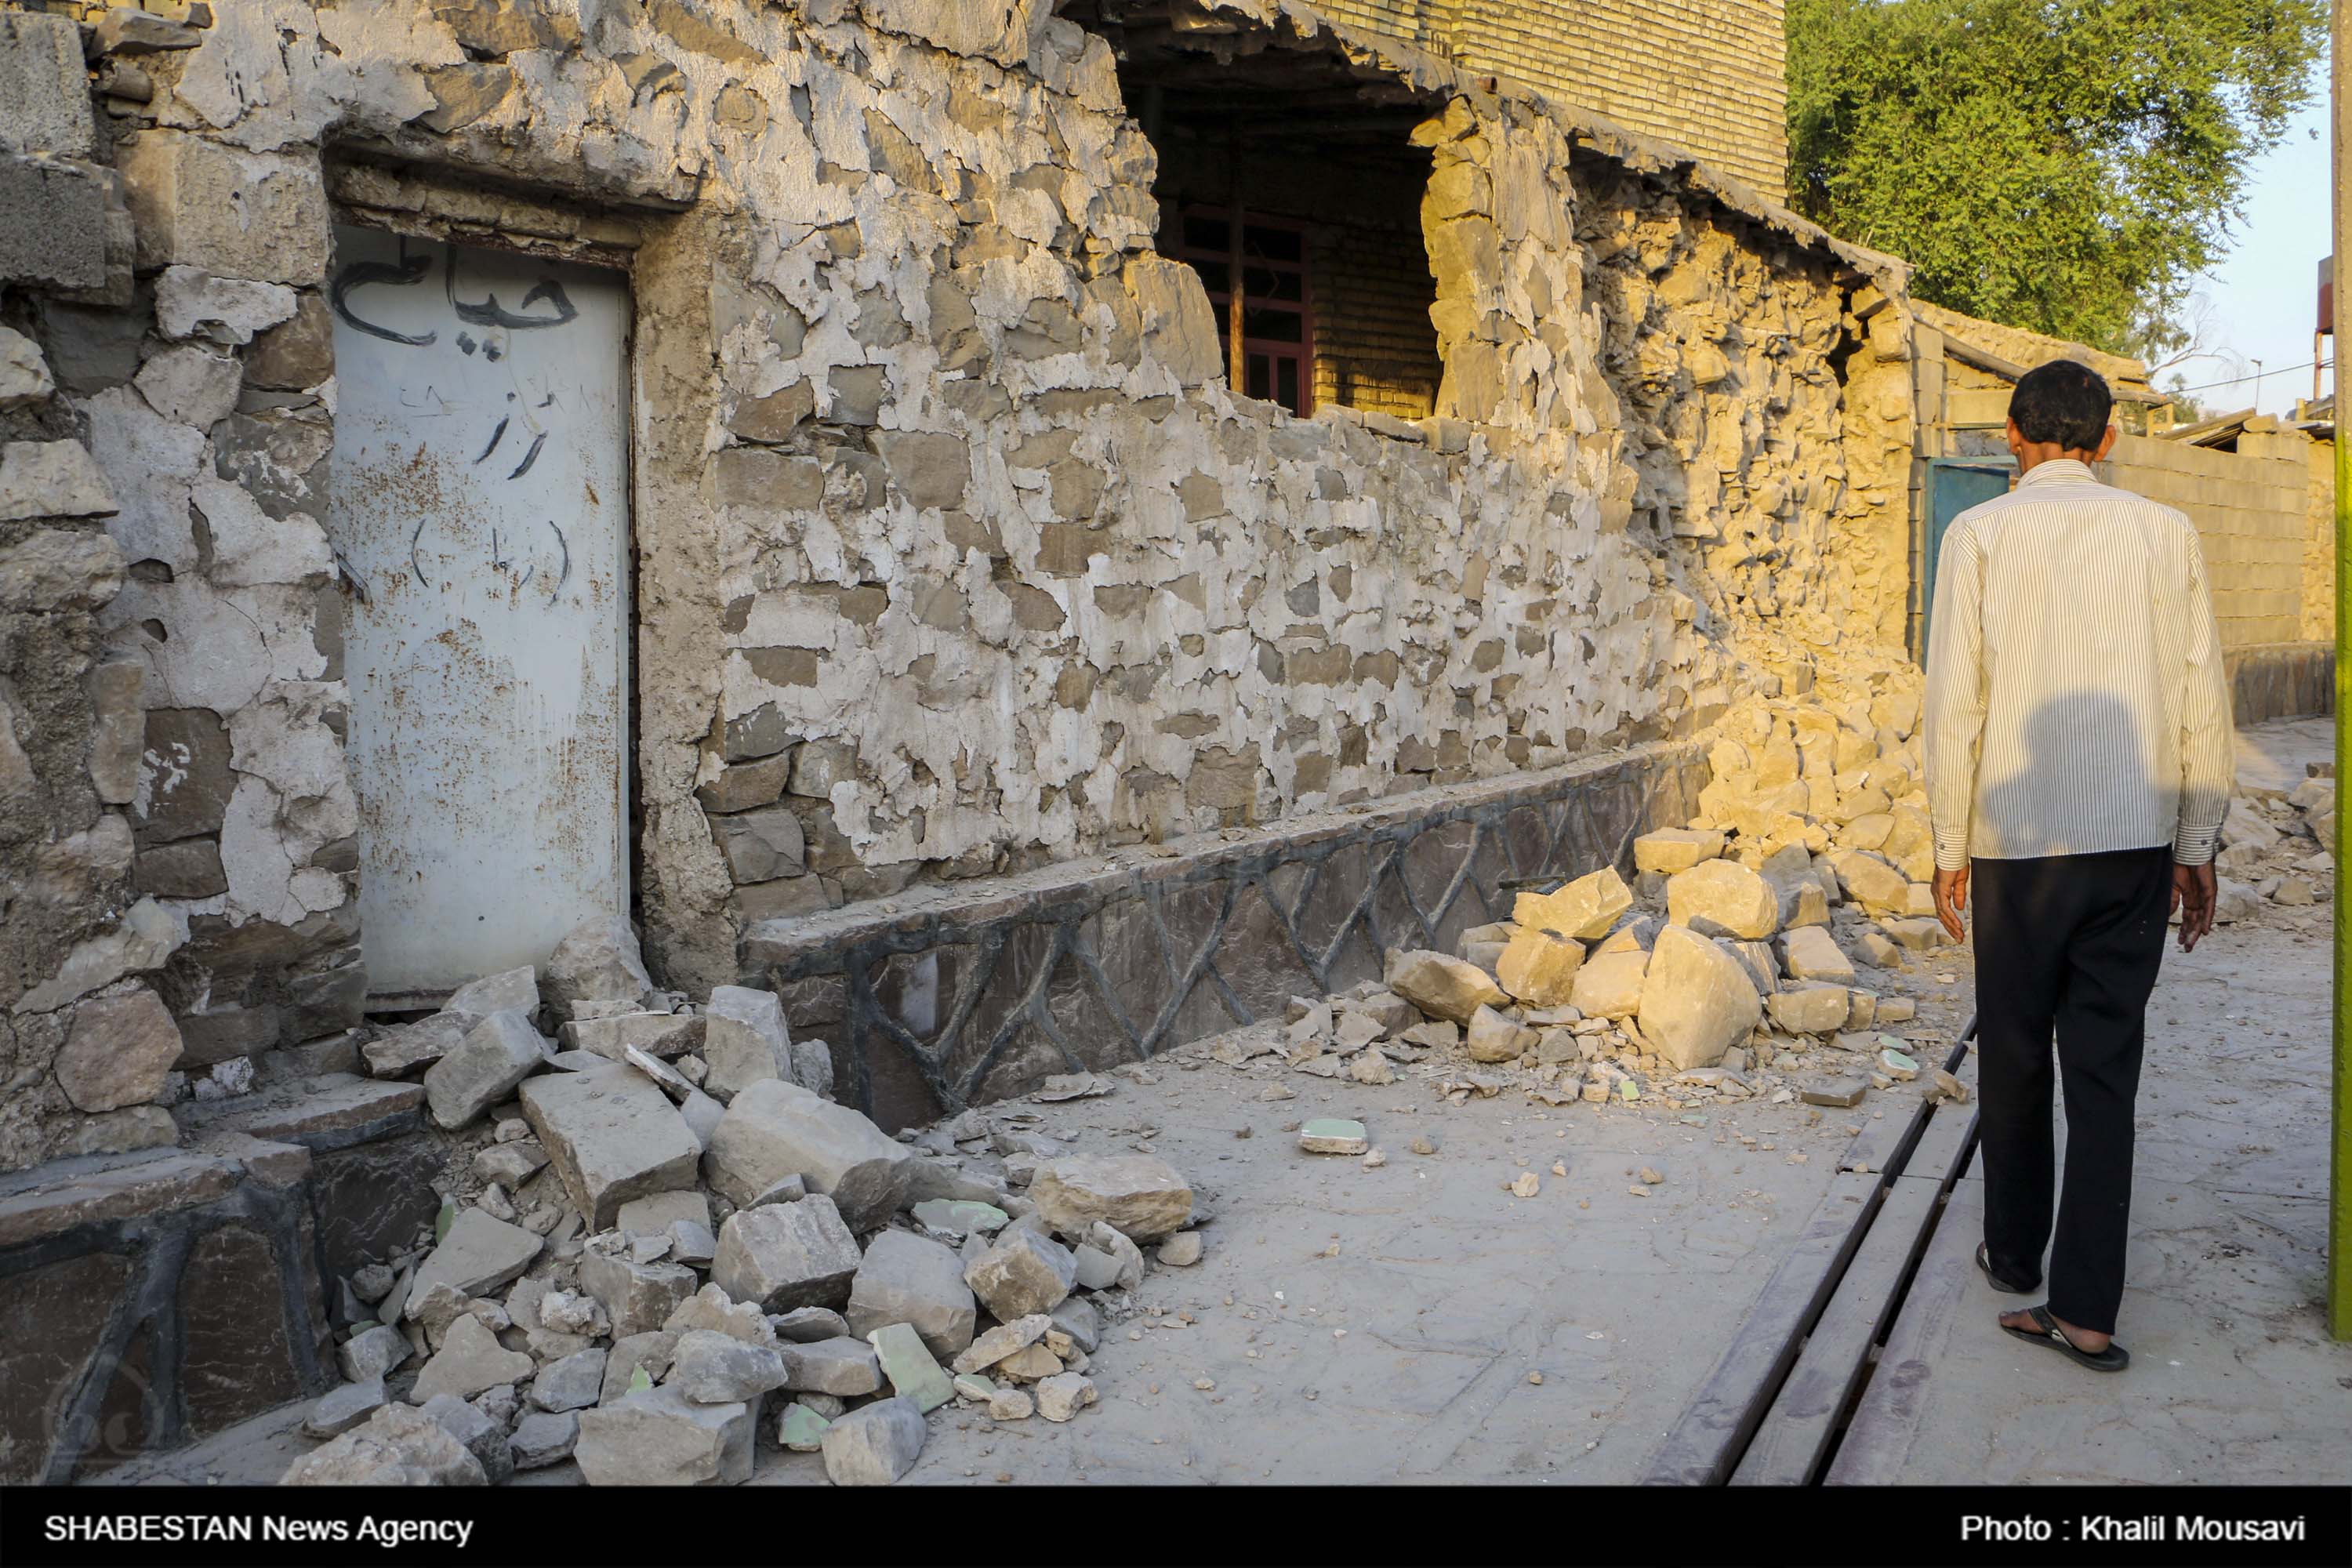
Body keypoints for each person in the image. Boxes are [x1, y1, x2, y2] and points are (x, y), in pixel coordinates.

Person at [1922, 358, 2230, 1374]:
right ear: (2105, 442)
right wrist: (2198, 848)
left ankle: (2014, 1259)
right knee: (2102, 1079)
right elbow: (2199, 698)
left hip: (2018, 848)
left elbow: (1953, 703)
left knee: (2012, 1058)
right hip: (2134, 842)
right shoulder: (2165, 534)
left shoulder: (1975, 536)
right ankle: (2087, 1313)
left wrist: (1944, 846)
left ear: (2013, 435)